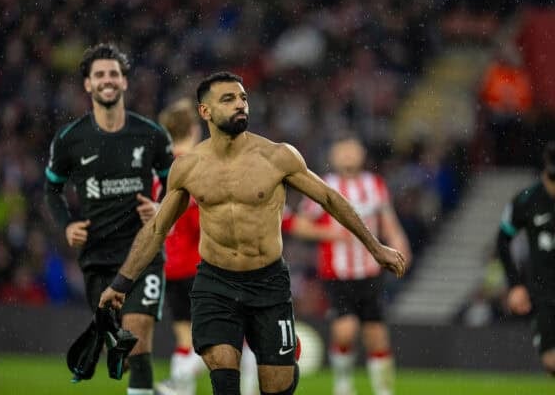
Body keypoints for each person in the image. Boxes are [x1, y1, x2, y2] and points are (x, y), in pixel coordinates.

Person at [99, 71, 406, 395]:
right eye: (228, 99)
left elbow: (330, 198)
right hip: (215, 284)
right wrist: (121, 284)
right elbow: (158, 228)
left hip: (268, 283)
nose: (240, 104)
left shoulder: (277, 156)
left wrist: (376, 247)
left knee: (278, 385)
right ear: (205, 112)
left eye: (243, 98)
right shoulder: (189, 167)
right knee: (223, 371)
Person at [44, 43, 174, 395]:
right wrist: (67, 224)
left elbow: (177, 184)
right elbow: (51, 190)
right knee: (122, 352)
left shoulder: (151, 135)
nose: (107, 80)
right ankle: (153, 389)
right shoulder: (70, 139)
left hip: (143, 253)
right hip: (97, 258)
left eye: (113, 73)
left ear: (124, 82)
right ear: (87, 84)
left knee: (137, 336)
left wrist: (162, 207)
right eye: (99, 74)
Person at [288, 135, 411, 395]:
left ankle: (383, 390)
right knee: (345, 331)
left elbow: (388, 221)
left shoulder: (374, 185)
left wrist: (400, 245)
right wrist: (329, 234)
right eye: (343, 151)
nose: (348, 156)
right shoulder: (323, 185)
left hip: (370, 271)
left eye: (352, 151)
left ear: (362, 155)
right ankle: (343, 383)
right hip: (337, 273)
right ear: (333, 156)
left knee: (376, 334)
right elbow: (298, 224)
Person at [154, 97, 259, 395]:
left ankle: (179, 386)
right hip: (203, 263)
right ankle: (185, 382)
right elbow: (208, 219)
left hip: (169, 265)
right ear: (194, 129)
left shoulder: (158, 171)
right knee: (236, 335)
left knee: (186, 337)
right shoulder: (199, 166)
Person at [497, 141, 555, 376]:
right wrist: (515, 284)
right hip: (543, 292)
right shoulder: (526, 200)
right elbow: (503, 240)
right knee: (550, 360)